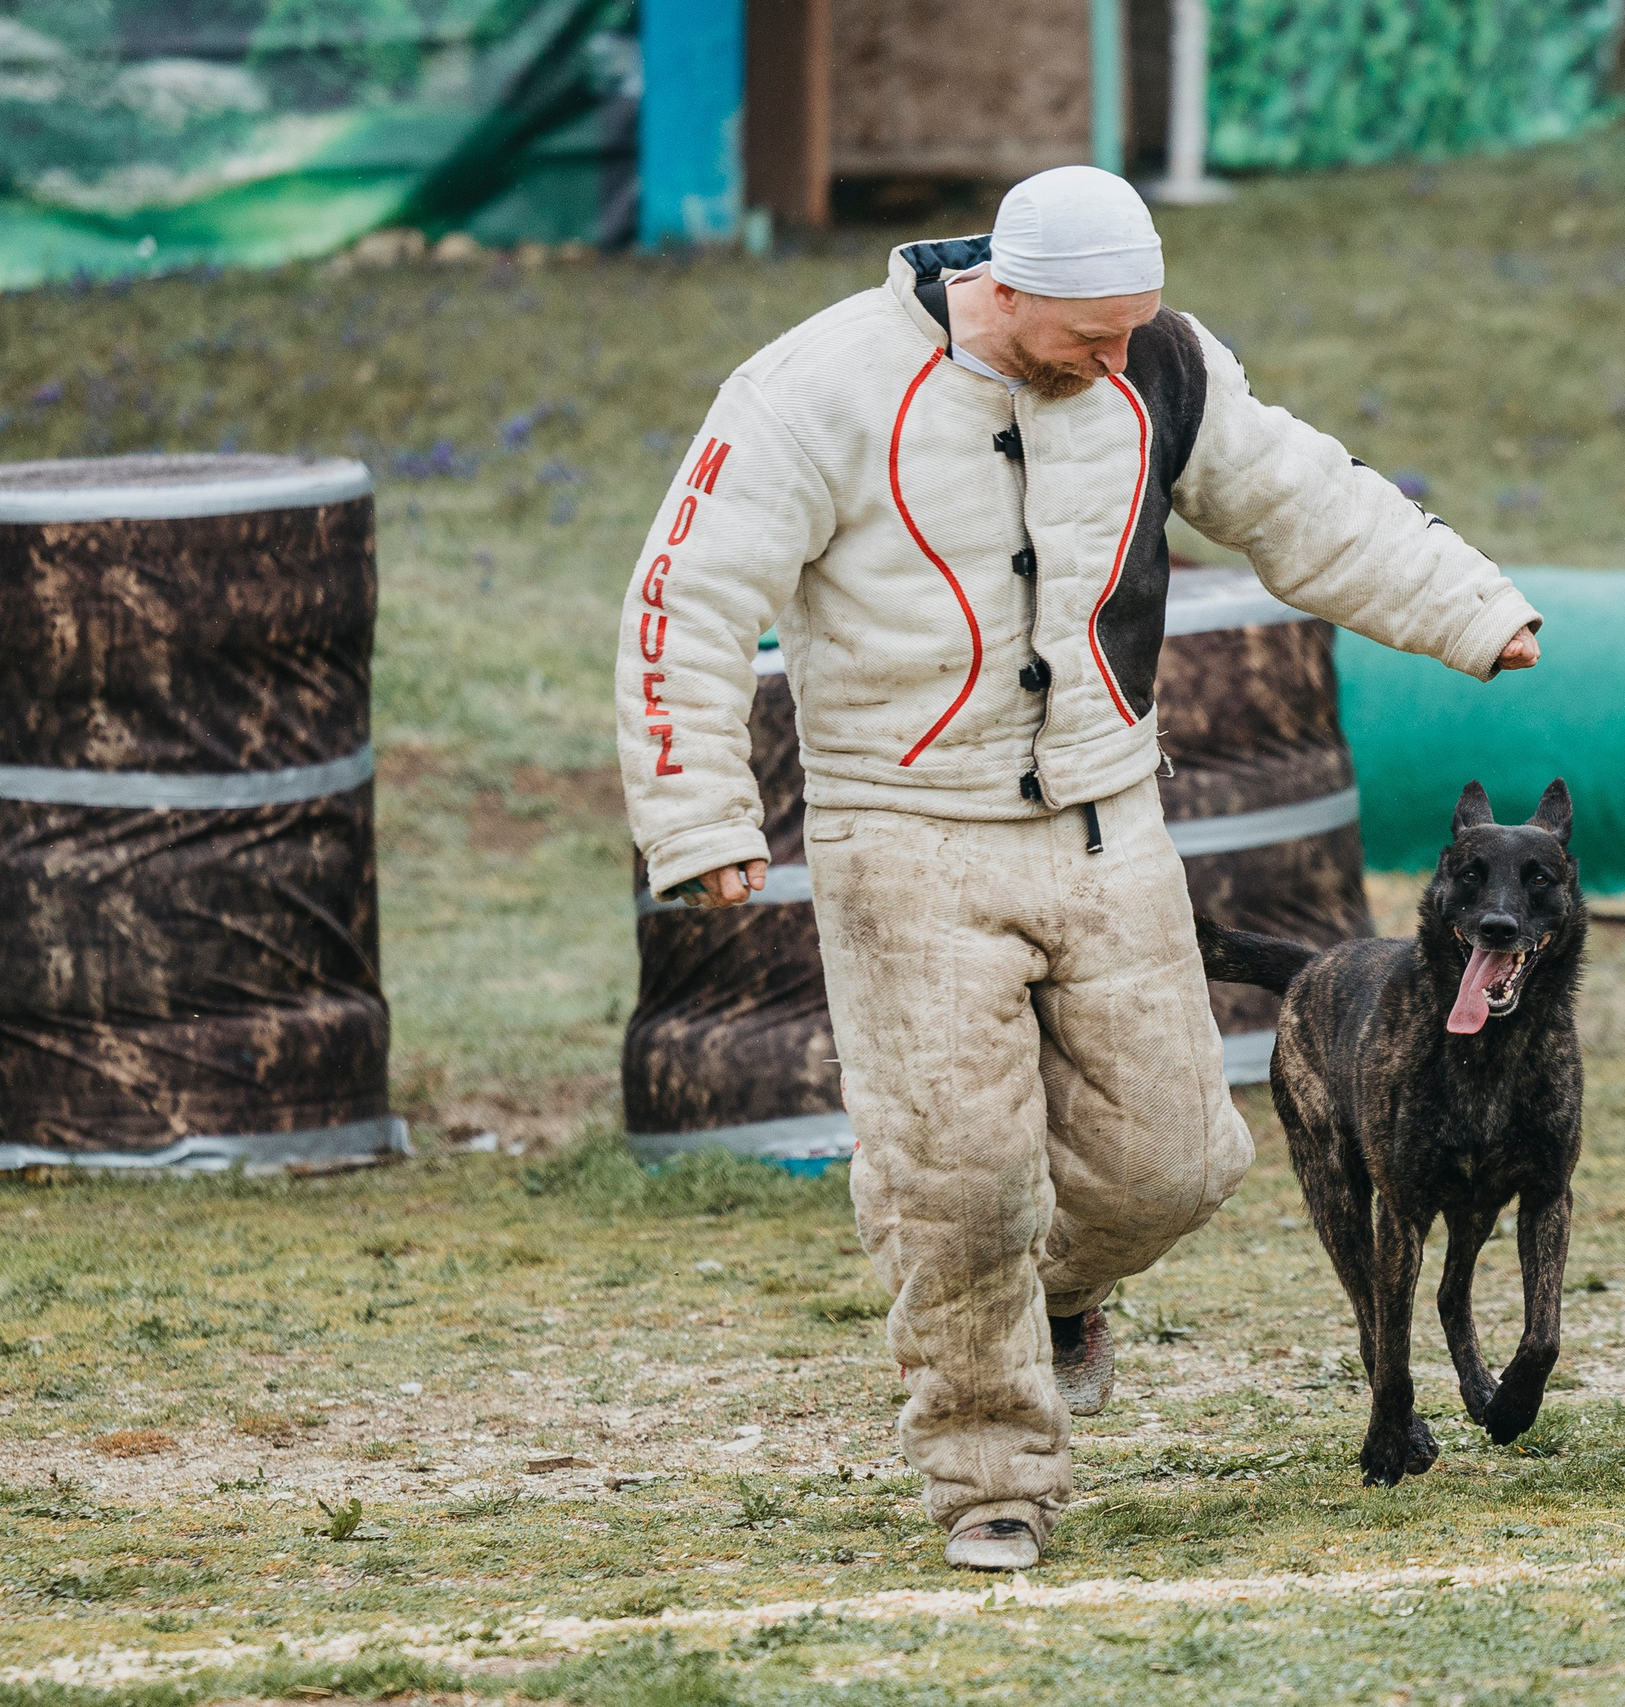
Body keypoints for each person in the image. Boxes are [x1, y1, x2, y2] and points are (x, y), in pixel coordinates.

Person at [615, 165, 1541, 1571]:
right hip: (905, 837)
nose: (1119, 363)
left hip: (1113, 825)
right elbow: (686, 594)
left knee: (1176, 1163)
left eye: (1134, 332)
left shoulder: (1162, 364)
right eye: (1088, 338)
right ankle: (993, 1476)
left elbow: (1305, 499)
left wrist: (1471, 606)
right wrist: (699, 822)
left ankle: (1048, 1298)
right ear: (1002, 287)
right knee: (962, 1182)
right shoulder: (812, 390)